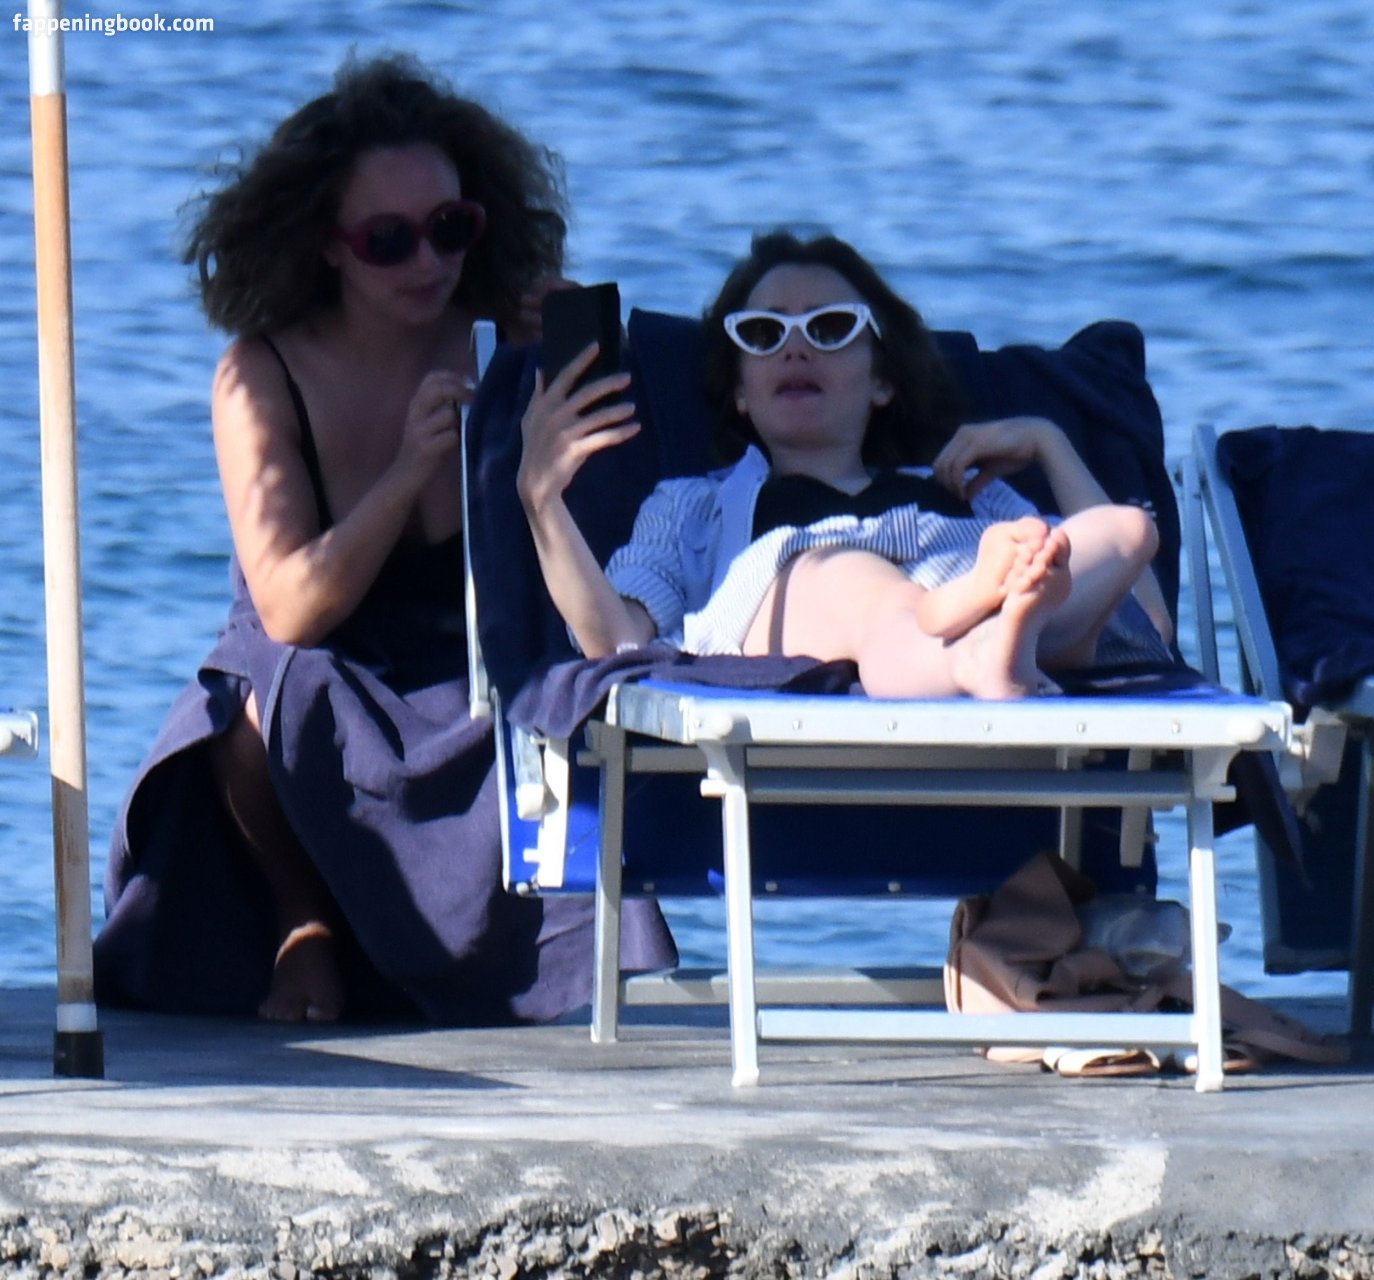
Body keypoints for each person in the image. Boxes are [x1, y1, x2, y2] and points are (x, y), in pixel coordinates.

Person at [96, 53, 676, 1026]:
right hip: (327, 663)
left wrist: (571, 363)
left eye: (451, 228)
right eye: (389, 240)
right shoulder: (264, 371)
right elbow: (292, 607)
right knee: (261, 690)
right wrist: (410, 469)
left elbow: (635, 523)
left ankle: (513, 962)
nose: (427, 263)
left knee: (559, 696)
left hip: (473, 659)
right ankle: (302, 925)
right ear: (326, 245)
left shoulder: (504, 334)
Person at [518, 230, 1173, 698]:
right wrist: (541, 501)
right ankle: (980, 644)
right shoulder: (693, 506)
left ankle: (1000, 633)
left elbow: (1149, 628)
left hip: (974, 578)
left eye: (830, 328)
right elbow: (618, 642)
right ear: (740, 389)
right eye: (764, 333)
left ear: (882, 379)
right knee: (850, 577)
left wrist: (1048, 443)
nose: (795, 349)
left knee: (1126, 531)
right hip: (806, 588)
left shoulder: (973, 493)